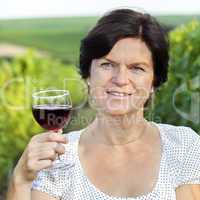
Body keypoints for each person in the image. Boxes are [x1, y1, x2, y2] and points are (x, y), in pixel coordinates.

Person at [7, 8, 200, 200]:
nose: (121, 79)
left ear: (154, 82)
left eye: (137, 68)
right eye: (107, 64)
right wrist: (21, 179)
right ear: (88, 75)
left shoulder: (183, 146)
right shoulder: (58, 159)